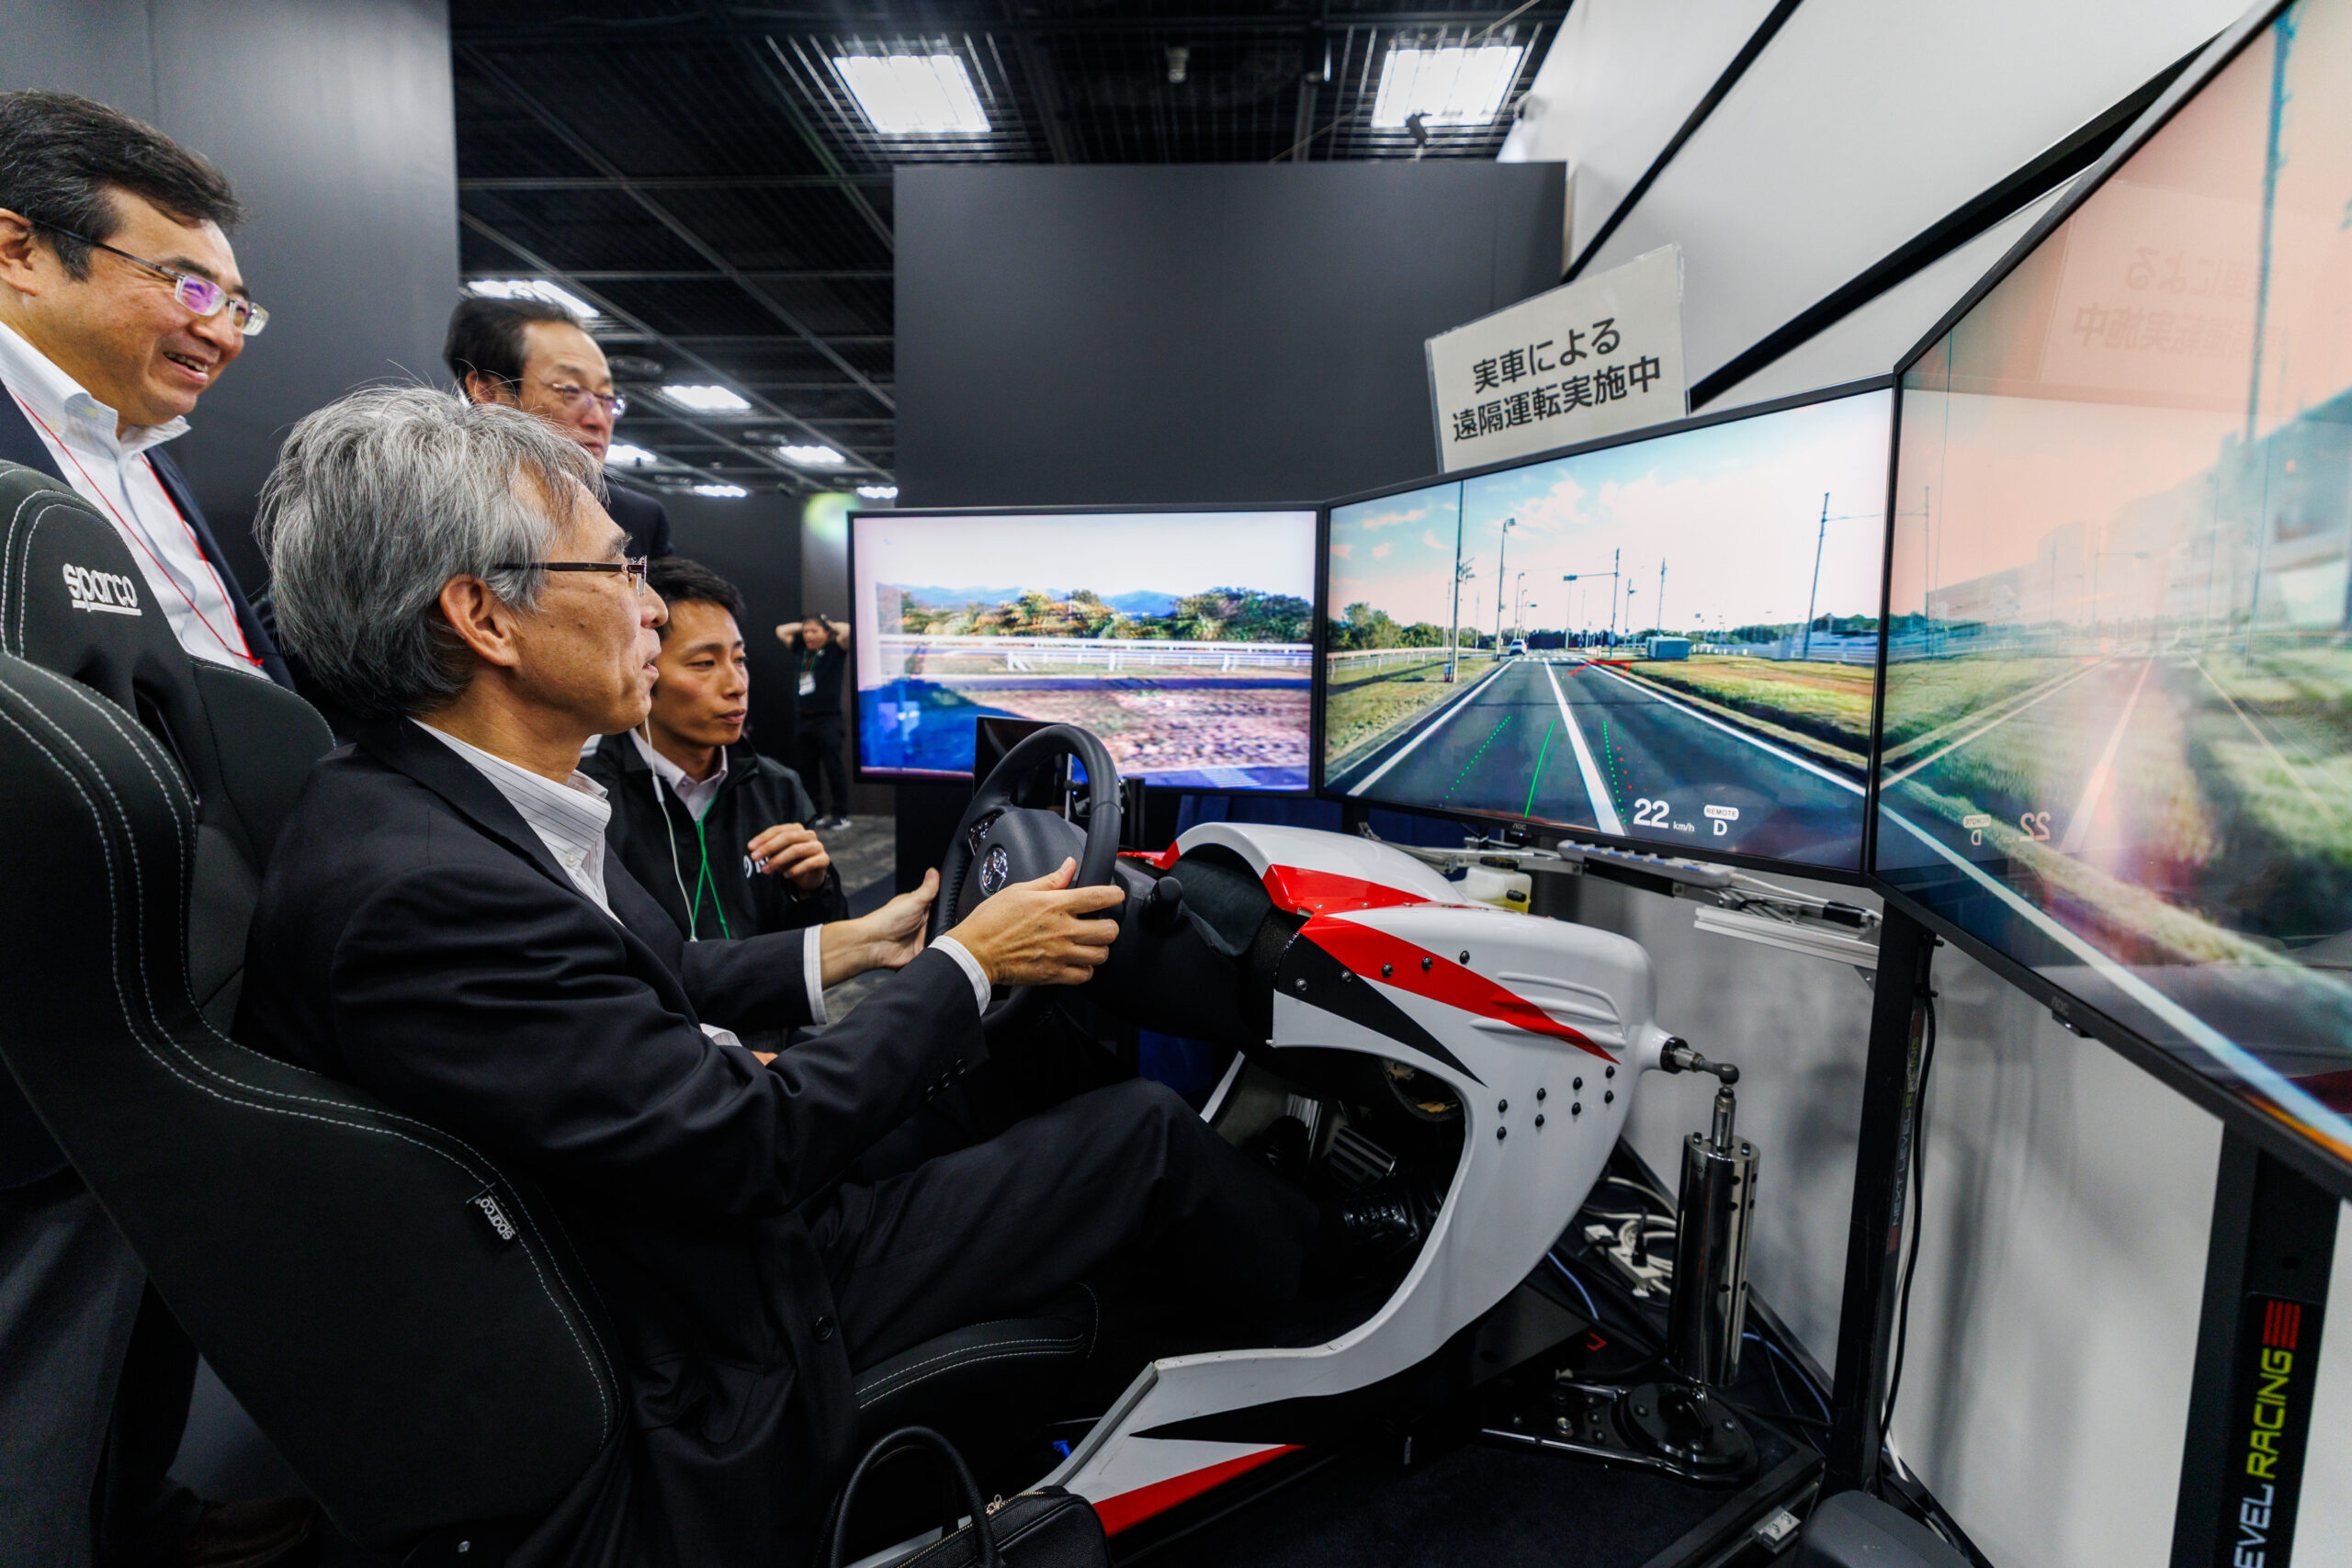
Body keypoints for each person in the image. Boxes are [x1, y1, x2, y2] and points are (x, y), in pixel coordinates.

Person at [237, 386, 1333, 1565]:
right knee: (1141, 1135)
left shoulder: (422, 810)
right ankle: (1348, 1320)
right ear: (484, 618)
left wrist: (875, 949)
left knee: (1019, 1062)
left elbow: (642, 990)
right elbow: (745, 1149)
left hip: (668, 1221)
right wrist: (973, 956)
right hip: (718, 1303)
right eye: (618, 574)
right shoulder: (431, 892)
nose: (650, 611)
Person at [0, 89, 311, 1568]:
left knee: (143, 1285)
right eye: (186, 285)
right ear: (20, 252)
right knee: (37, 1334)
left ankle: (138, 1511)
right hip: (42, 991)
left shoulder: (137, 455)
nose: (222, 327)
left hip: (178, 970)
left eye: (239, 298)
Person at [582, 557, 851, 960]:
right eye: (704, 663)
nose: (736, 685)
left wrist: (811, 889)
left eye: (739, 660)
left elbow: (817, 954)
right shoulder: (588, 801)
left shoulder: (775, 788)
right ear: (642, 667)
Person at [444, 292, 673, 558]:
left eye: (607, 397)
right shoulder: (434, 510)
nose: (599, 420)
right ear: (489, 393)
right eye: (572, 391)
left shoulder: (637, 519)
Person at [775, 614, 852, 828]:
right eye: (806, 631)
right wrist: (804, 626)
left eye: (814, 631)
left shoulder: (835, 649)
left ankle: (840, 815)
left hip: (828, 719)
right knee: (807, 769)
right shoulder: (801, 649)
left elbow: (847, 631)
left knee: (833, 768)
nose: (809, 635)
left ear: (827, 633)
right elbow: (781, 630)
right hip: (803, 719)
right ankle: (814, 813)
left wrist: (829, 623)